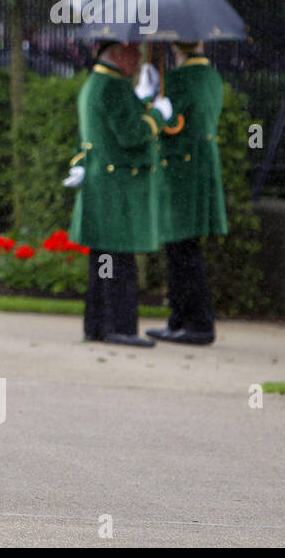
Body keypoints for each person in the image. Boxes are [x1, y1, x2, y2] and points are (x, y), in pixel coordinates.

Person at [64, 41, 173, 347]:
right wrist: (158, 115)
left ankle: (98, 326)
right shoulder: (113, 86)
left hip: (105, 186)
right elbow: (131, 135)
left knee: (104, 262)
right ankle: (120, 329)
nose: (138, 57)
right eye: (132, 52)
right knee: (120, 264)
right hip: (118, 189)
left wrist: (141, 99)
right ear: (116, 54)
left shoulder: (97, 82)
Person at [146, 42, 226, 346]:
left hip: (180, 173)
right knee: (185, 250)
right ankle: (180, 320)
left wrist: (151, 98)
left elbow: (164, 124)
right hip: (201, 169)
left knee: (181, 251)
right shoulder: (211, 76)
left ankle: (195, 323)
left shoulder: (179, 79)